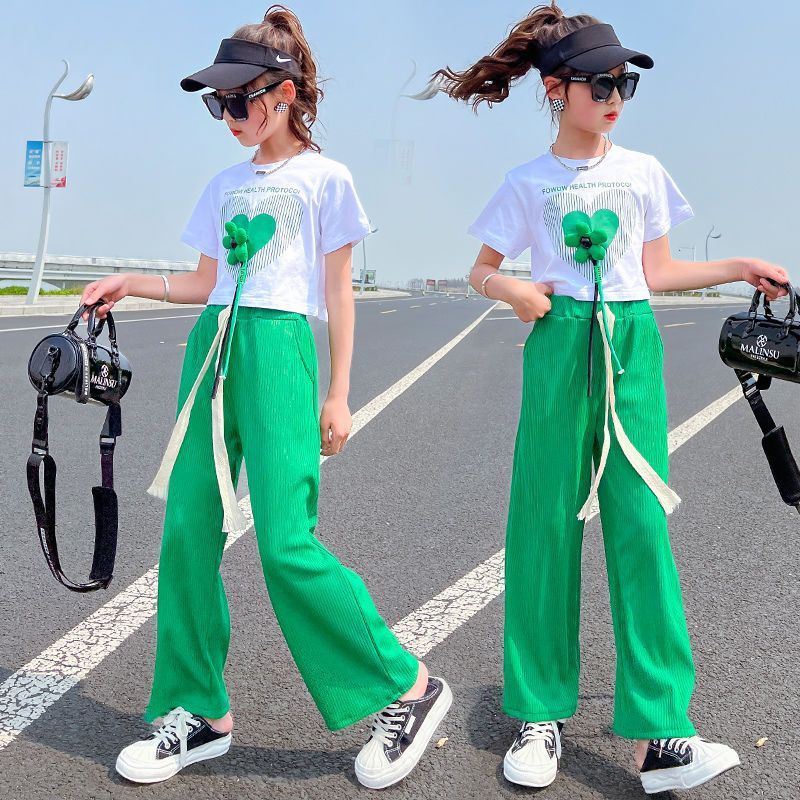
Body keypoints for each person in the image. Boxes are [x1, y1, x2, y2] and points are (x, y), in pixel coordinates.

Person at [80, 6, 450, 790]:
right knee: (186, 531)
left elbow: (339, 295)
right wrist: (128, 283)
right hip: (211, 351)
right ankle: (198, 710)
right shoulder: (223, 185)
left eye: (236, 101)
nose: (226, 117)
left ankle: (409, 687)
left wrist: (340, 394)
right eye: (215, 104)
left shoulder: (327, 179)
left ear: (282, 93)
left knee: (286, 543)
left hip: (281, 352)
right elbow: (199, 285)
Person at [431, 2, 789, 794]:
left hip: (631, 346)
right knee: (543, 527)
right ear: (557, 89)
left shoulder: (644, 171)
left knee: (640, 528)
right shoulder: (526, 183)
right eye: (601, 81)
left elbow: (654, 273)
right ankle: (536, 713)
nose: (617, 93)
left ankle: (662, 735)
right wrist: (513, 290)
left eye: (625, 80)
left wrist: (736, 266)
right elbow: (478, 270)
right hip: (559, 344)